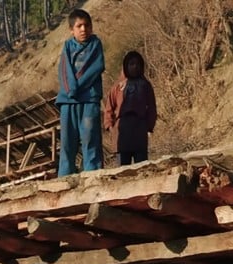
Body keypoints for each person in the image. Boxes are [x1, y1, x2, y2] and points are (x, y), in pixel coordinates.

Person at [56, 9, 105, 176]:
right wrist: (71, 90)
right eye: (79, 26)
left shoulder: (95, 45)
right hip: (68, 101)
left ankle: (93, 174)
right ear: (72, 30)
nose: (84, 29)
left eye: (87, 25)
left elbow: (95, 68)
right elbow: (64, 71)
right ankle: (65, 177)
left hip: (89, 98)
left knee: (90, 137)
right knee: (67, 142)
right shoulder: (67, 47)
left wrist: (77, 87)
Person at [103, 50, 157, 166]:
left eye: (138, 64)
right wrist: (110, 126)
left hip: (139, 128)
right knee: (122, 170)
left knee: (142, 168)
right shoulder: (117, 87)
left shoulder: (145, 85)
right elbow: (109, 108)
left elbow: (152, 107)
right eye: (131, 64)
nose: (135, 67)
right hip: (122, 130)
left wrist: (149, 126)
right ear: (125, 66)